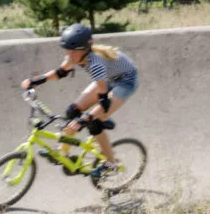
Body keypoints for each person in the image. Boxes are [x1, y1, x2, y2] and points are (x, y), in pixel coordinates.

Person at [21, 23, 139, 179]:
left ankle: (111, 163)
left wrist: (85, 120)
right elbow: (60, 73)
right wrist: (35, 81)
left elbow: (104, 102)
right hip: (107, 78)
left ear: (84, 50)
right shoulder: (75, 56)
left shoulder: (96, 65)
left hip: (125, 82)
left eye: (72, 52)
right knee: (73, 111)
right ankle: (62, 153)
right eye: (67, 51)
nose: (69, 55)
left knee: (93, 122)